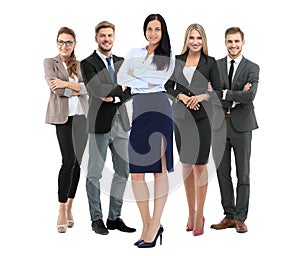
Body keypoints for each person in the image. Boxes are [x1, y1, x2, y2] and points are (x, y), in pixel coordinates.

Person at [117, 14, 174, 248]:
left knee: (159, 170)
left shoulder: (167, 56)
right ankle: (148, 224)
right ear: (145, 31)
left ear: (163, 32)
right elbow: (121, 78)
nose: (153, 33)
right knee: (137, 172)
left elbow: (158, 81)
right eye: (149, 29)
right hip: (139, 110)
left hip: (160, 108)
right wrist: (141, 79)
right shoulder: (133, 53)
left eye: (157, 29)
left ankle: (155, 224)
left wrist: (134, 77)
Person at [165, 23, 222, 236]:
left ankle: (200, 215)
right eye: (191, 38)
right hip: (181, 118)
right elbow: (168, 87)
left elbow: (216, 90)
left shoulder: (211, 62)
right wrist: (182, 96)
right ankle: (190, 212)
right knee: (187, 166)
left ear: (203, 40)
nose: (195, 41)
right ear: (186, 40)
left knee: (200, 166)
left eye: (198, 38)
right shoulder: (177, 61)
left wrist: (201, 96)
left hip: (202, 118)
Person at [80, 21, 135, 235]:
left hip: (122, 122)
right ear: (96, 38)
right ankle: (96, 219)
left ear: (114, 37)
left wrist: (112, 96)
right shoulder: (88, 63)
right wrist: (119, 90)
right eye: (102, 36)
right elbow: (96, 89)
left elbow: (130, 90)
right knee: (95, 173)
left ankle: (114, 217)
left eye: (109, 35)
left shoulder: (122, 62)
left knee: (123, 171)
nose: (106, 39)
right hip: (99, 124)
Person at [210, 27, 259, 233]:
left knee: (243, 174)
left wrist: (224, 93)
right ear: (225, 42)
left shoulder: (252, 67)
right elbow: (210, 95)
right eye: (229, 41)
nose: (233, 45)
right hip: (219, 126)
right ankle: (229, 215)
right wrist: (235, 95)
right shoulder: (216, 65)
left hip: (242, 126)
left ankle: (240, 217)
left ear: (243, 42)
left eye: (236, 41)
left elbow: (250, 96)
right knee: (222, 173)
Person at [44, 27, 88, 233]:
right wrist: (73, 87)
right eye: (61, 42)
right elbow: (58, 90)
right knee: (68, 160)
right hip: (63, 118)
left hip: (82, 117)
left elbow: (88, 89)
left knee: (77, 163)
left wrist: (70, 85)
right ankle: (61, 209)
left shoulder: (80, 65)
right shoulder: (49, 63)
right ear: (56, 42)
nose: (64, 46)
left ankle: (70, 206)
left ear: (74, 44)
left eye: (68, 42)